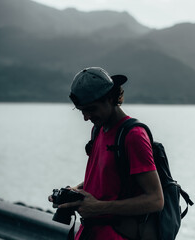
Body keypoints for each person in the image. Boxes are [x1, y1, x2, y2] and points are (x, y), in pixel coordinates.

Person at [49, 67, 164, 240]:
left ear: (110, 98)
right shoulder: (98, 129)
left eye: (91, 109)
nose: (86, 117)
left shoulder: (133, 136)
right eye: (81, 110)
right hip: (89, 233)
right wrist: (75, 191)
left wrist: (98, 207)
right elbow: (107, 179)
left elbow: (155, 200)